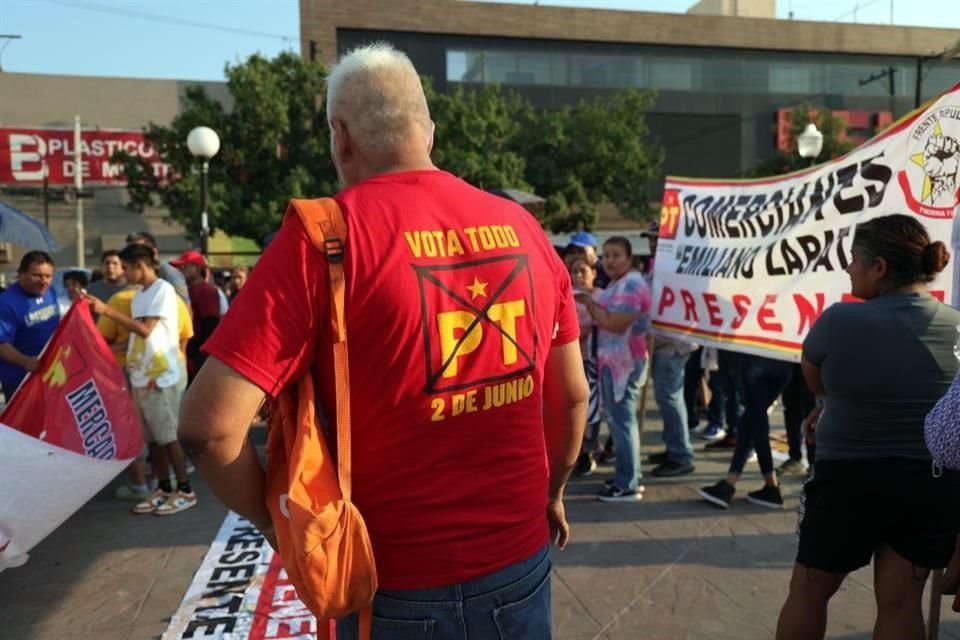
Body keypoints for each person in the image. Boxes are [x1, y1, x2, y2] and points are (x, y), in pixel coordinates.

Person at [178, 43, 588, 638]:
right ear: (430, 132)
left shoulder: (322, 240)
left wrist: (277, 520)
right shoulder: (525, 228)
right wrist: (552, 493)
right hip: (519, 563)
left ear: (340, 138)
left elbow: (208, 428)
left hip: (384, 581)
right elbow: (572, 396)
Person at [775, 214, 960, 639]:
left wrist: (835, 402)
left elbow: (816, 379)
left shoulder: (838, 320)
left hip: (847, 477)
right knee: (900, 605)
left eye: (853, 260)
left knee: (808, 593)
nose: (848, 269)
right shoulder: (955, 325)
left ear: (878, 267)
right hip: (927, 481)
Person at [86, 243, 196, 516]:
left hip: (162, 376)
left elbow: (147, 331)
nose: (123, 274)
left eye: (126, 268)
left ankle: (185, 489)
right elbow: (138, 335)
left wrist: (107, 310)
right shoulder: (139, 296)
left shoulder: (162, 290)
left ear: (140, 265)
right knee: (153, 440)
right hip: (140, 375)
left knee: (168, 436)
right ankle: (164, 488)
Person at [577, 237, 651, 502]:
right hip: (613, 362)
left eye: (616, 255)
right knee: (619, 421)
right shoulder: (618, 283)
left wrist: (589, 303)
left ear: (629, 258)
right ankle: (626, 476)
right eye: (606, 255)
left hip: (625, 363)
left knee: (622, 421)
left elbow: (616, 323)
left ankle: (628, 483)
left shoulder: (632, 284)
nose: (609, 260)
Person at [697, 352, 792, 509]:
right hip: (785, 359)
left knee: (756, 420)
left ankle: (770, 486)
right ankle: (732, 482)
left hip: (755, 354)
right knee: (752, 418)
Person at [0, 251, 60, 400]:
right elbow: (1, 344)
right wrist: (25, 361)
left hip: (51, 372)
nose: (43, 281)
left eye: (48, 276)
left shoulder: (50, 291)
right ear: (20, 274)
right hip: (20, 379)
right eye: (36, 275)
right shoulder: (6, 303)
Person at [570, 256, 603, 476]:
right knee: (576, 408)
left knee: (593, 409)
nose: (579, 276)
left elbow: (606, 323)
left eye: (583, 271)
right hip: (574, 361)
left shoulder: (602, 297)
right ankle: (577, 451)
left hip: (597, 361)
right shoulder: (568, 297)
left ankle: (590, 450)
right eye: (574, 272)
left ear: (594, 273)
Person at [170, 250, 222, 382]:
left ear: (198, 268)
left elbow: (211, 324)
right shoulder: (185, 291)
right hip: (188, 351)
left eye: (185, 266)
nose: (181, 270)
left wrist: (195, 351)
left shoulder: (206, 291)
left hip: (198, 354)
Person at [125, 231, 190, 303]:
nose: (131, 255)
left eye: (136, 250)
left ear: (154, 251)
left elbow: (184, 306)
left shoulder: (168, 272)